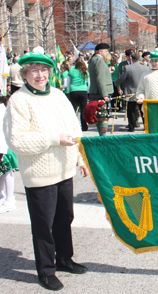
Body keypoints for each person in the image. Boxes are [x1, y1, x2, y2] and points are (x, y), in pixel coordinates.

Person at [3, 51, 89, 291]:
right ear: (25, 74)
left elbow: (75, 127)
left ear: (50, 72)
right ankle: (46, 270)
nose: (40, 75)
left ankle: (64, 259)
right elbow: (16, 140)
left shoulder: (59, 95)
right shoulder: (19, 100)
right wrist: (54, 139)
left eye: (44, 70)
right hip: (39, 174)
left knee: (65, 218)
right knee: (44, 224)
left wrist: (81, 159)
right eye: (34, 71)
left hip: (64, 170)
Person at [115, 53, 148, 132]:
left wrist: (116, 83)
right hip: (142, 92)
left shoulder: (128, 68)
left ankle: (131, 127)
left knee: (131, 111)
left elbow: (121, 79)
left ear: (131, 59)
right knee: (143, 110)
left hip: (130, 92)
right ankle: (146, 126)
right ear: (139, 58)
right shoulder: (146, 68)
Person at [88, 43, 113, 136]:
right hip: (100, 93)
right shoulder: (99, 60)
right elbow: (100, 78)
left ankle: (101, 136)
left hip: (95, 92)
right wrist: (104, 94)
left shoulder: (93, 60)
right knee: (104, 117)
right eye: (106, 51)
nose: (107, 53)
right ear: (100, 51)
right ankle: (103, 137)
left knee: (99, 116)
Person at [0, 94, 18, 213]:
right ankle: (2, 196)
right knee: (2, 172)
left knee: (7, 172)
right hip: (3, 147)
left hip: (4, 147)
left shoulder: (2, 110)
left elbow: (2, 132)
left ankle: (9, 199)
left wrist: (1, 151)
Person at [68, 59, 89, 131]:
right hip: (83, 90)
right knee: (83, 109)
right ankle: (84, 126)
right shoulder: (85, 72)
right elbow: (88, 82)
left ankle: (73, 126)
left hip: (73, 90)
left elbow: (68, 82)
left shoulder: (71, 71)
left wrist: (69, 89)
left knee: (74, 109)